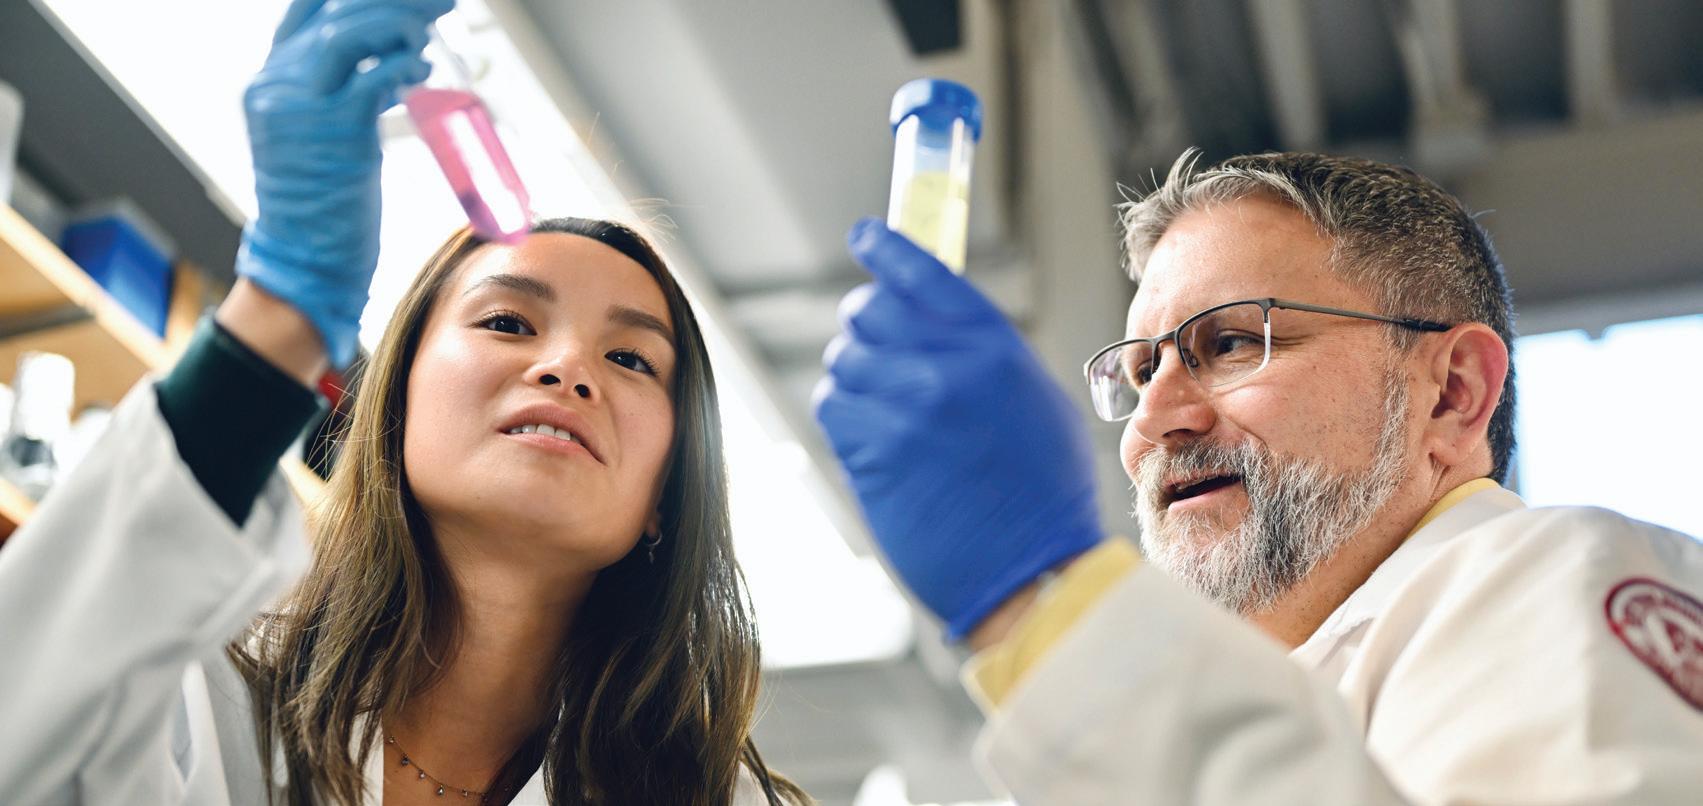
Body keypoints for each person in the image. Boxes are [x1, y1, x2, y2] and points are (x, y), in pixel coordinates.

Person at [0, 1, 806, 803]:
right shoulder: (197, 696)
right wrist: (279, 311)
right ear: (396, 410)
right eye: (506, 322)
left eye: (629, 359)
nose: (566, 367)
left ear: (666, 494)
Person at [814, 149, 1703, 803]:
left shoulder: (1560, 575)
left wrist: (1044, 612)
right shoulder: (1242, 707)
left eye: (1232, 342)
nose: (1155, 422)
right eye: (1139, 374)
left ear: (1452, 392)